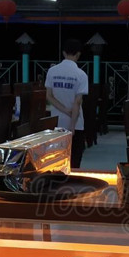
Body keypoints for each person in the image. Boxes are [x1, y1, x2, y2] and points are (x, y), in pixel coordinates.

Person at [45, 39, 89, 168]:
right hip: (76, 123)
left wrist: (64, 110)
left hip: (56, 122)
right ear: (78, 54)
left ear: (64, 53)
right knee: (74, 163)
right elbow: (77, 102)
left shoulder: (52, 71)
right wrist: (72, 127)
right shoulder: (81, 75)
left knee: (56, 162)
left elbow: (49, 96)